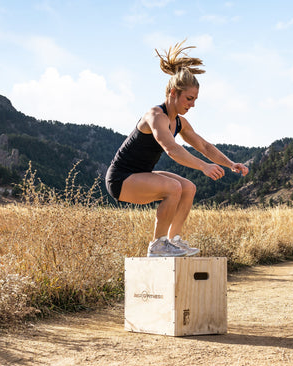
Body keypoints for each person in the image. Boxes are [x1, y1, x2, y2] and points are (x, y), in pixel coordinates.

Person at [105, 40, 249, 257]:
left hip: (142, 175)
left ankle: (173, 241)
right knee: (173, 187)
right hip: (121, 179)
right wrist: (204, 167)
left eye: (195, 100)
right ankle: (157, 245)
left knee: (188, 187)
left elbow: (204, 146)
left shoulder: (179, 122)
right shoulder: (155, 116)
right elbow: (172, 149)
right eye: (189, 98)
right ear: (173, 93)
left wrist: (230, 164)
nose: (192, 104)